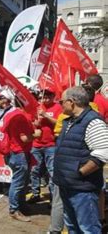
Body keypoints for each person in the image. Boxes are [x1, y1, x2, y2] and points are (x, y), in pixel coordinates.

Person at [53, 86, 108, 233]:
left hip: (83, 189)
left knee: (88, 228)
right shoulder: (69, 121)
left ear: (71, 102)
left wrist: (81, 172)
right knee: (72, 226)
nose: (60, 104)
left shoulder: (93, 121)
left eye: (61, 101)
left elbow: (103, 152)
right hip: (67, 185)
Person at [3, 94, 41, 222]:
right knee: (19, 183)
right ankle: (14, 210)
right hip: (19, 153)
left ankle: (21, 205)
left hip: (13, 152)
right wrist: (36, 134)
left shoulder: (11, 113)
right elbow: (24, 138)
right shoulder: (21, 117)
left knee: (22, 182)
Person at [28, 88, 63, 203]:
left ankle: (53, 198)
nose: (46, 98)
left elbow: (59, 123)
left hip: (51, 145)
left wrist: (46, 116)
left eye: (49, 96)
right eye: (44, 96)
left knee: (52, 172)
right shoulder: (37, 106)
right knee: (35, 170)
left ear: (53, 97)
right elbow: (31, 122)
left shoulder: (58, 107)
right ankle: (35, 193)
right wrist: (35, 123)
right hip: (36, 144)